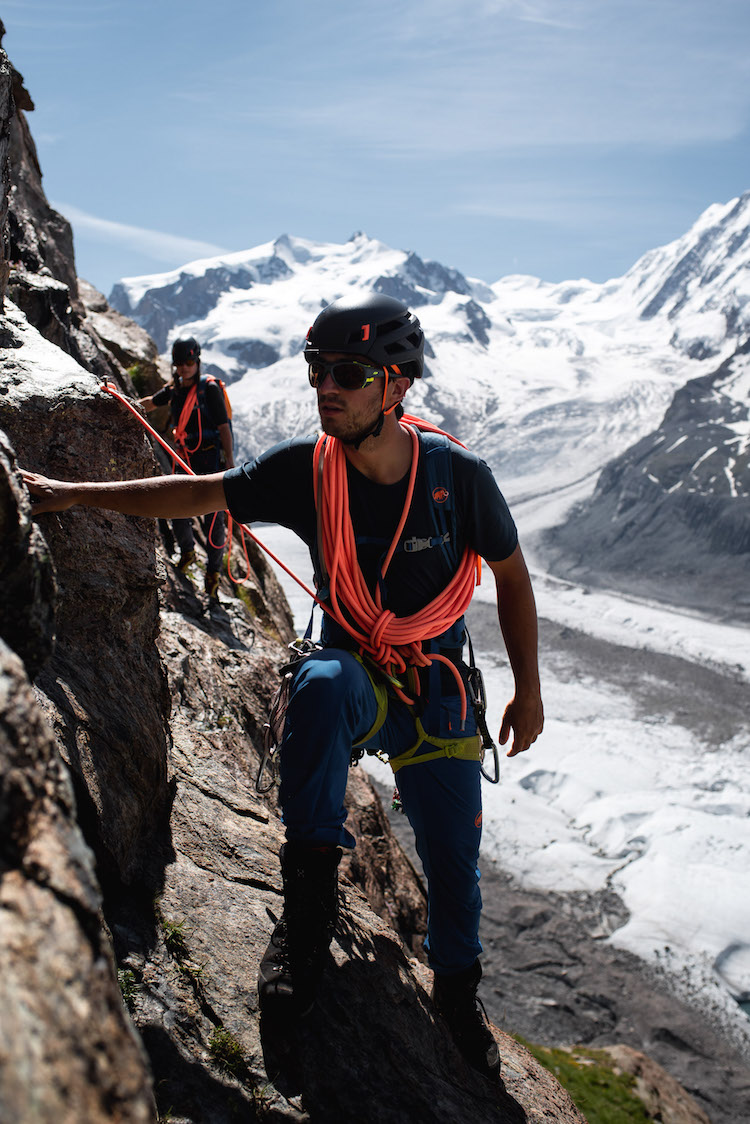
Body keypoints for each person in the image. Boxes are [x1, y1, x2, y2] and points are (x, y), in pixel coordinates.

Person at [23, 294, 543, 1081]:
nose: (324, 385)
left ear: (395, 385)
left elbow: (511, 576)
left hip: (435, 690)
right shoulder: (308, 469)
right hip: (359, 672)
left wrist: (528, 690)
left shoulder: (455, 478)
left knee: (455, 872)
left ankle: (459, 994)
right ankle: (304, 921)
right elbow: (194, 493)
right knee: (323, 682)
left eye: (348, 372)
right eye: (316, 369)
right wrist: (73, 494)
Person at [140, 336, 234, 597]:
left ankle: (213, 573)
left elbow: (224, 427)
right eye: (180, 363)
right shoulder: (175, 389)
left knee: (213, 521)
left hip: (211, 459)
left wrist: (231, 461)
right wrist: (125, 403)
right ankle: (188, 550)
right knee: (176, 504)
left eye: (189, 362)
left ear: (197, 361)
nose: (185, 367)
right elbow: (151, 402)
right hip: (187, 457)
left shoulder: (209, 389)